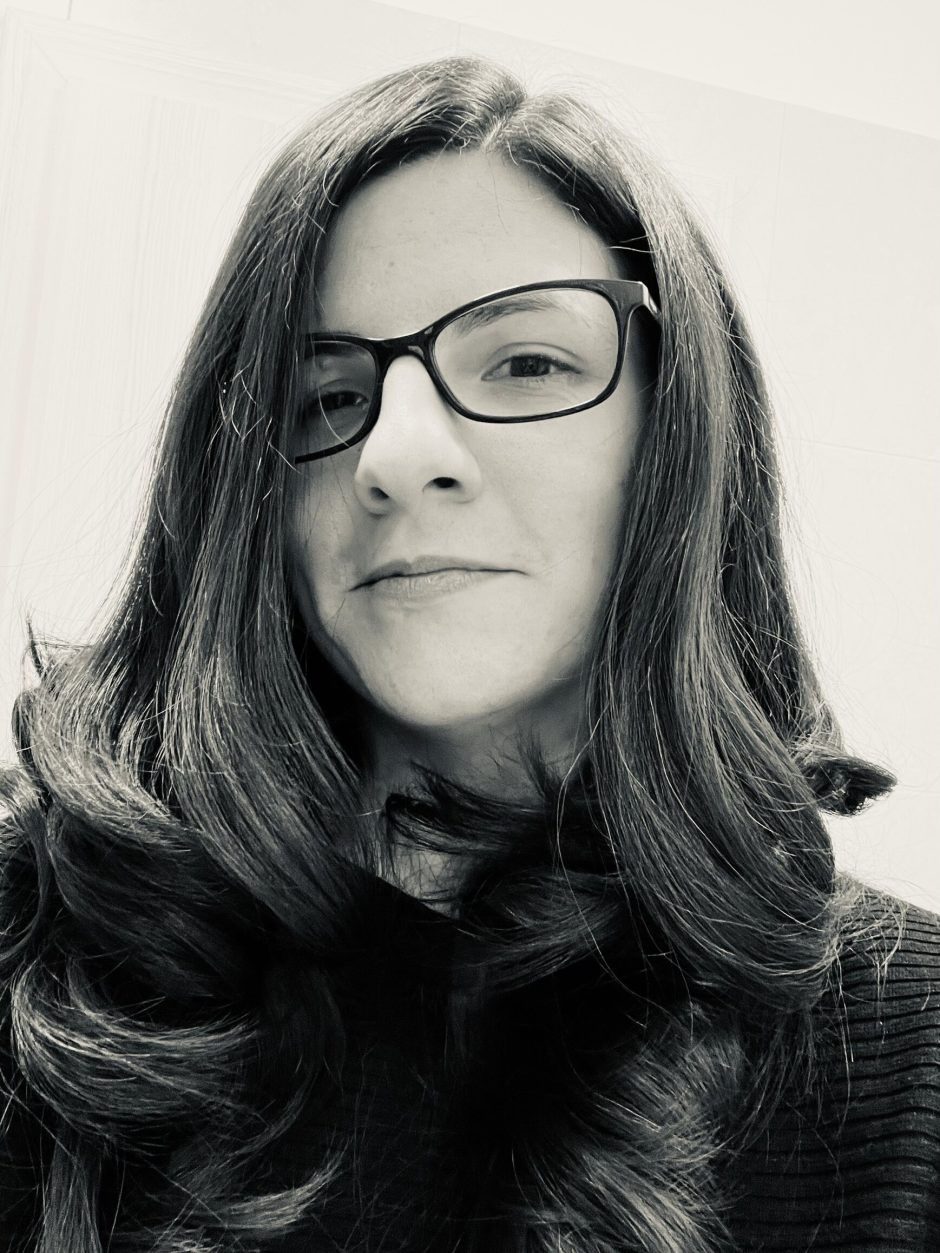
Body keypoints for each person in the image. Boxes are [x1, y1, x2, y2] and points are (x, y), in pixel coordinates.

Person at [0, 55, 937, 1253]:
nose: (395, 455)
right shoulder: (39, 946)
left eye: (527, 363)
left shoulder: (910, 1044)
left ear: (677, 435)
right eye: (325, 398)